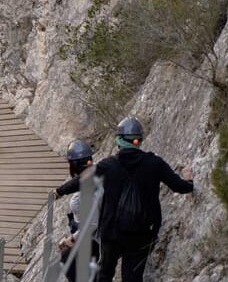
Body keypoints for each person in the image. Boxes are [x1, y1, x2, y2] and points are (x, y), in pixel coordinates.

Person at [56, 116, 194, 282]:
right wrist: (189, 180)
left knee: (105, 275)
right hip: (142, 233)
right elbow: (180, 187)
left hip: (111, 234)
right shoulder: (154, 163)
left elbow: (82, 181)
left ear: (118, 141)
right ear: (139, 140)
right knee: (133, 278)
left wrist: (60, 191)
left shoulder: (108, 166)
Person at [57, 139, 99, 282]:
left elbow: (93, 223)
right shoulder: (96, 176)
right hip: (95, 238)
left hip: (95, 240)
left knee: (67, 257)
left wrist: (73, 238)